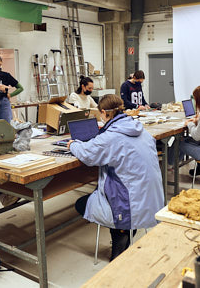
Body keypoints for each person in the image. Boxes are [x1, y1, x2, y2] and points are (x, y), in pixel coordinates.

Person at [67, 94, 164, 261]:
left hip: (131, 204)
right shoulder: (141, 130)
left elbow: (87, 154)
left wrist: (73, 144)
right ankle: (126, 232)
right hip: (152, 200)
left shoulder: (111, 137)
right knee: (109, 183)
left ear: (104, 112)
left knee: (81, 204)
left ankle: (121, 236)